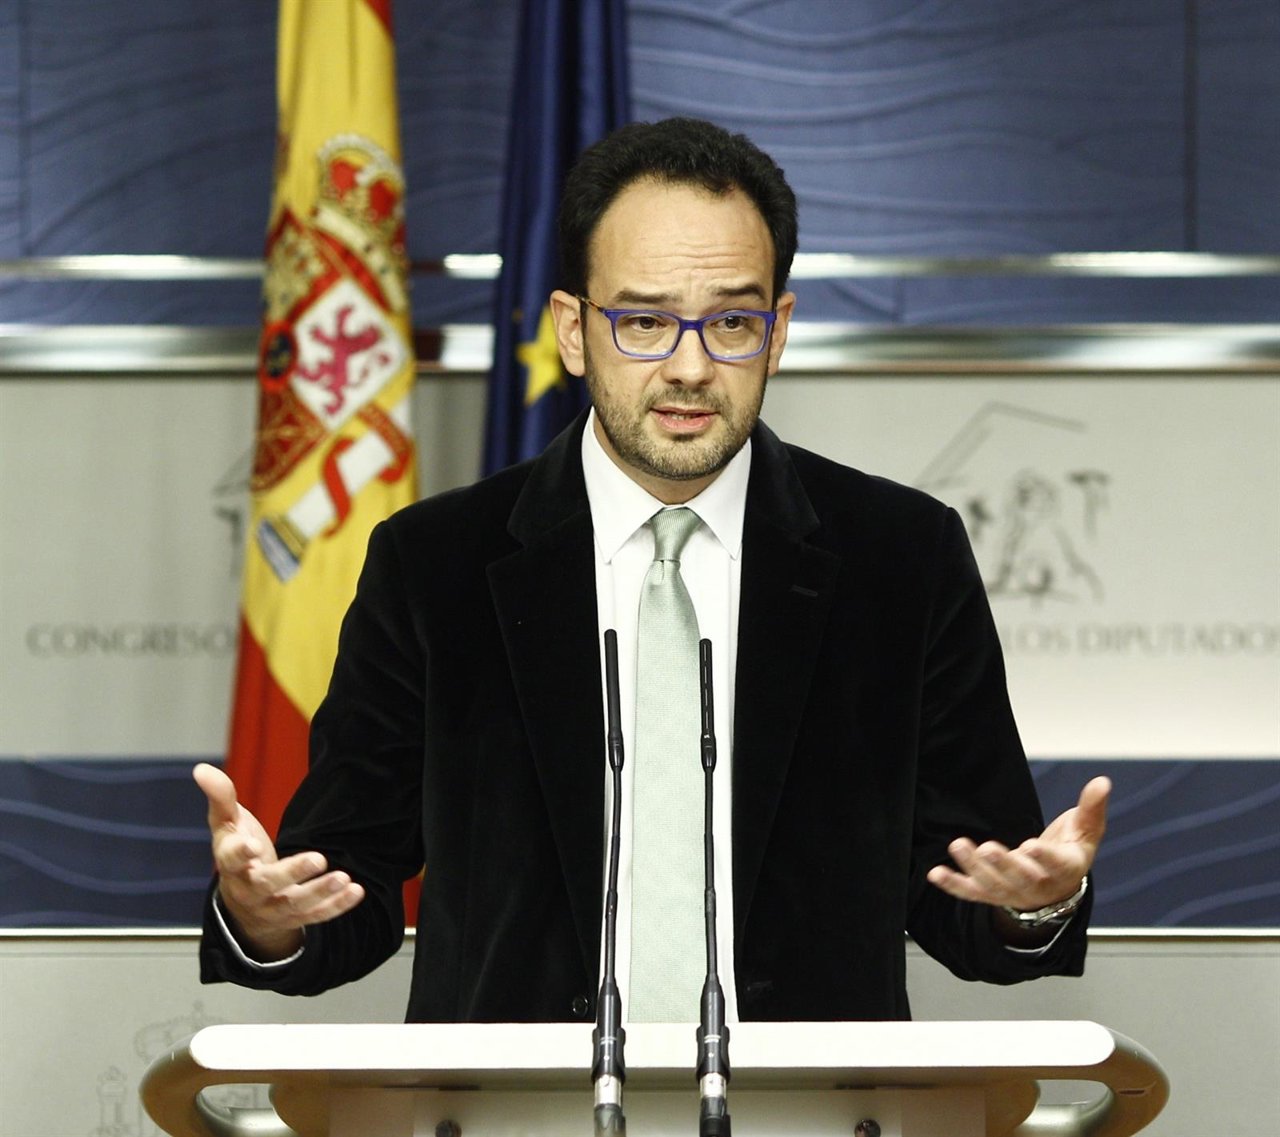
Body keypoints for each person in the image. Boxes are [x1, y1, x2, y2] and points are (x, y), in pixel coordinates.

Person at [197, 117, 1110, 1024]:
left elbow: (972, 896)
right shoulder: (436, 565)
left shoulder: (901, 558)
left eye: (732, 323)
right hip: (518, 1116)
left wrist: (1028, 903)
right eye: (643, 321)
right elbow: (341, 885)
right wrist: (265, 917)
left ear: (778, 330)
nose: (690, 366)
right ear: (571, 329)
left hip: (807, 1116)